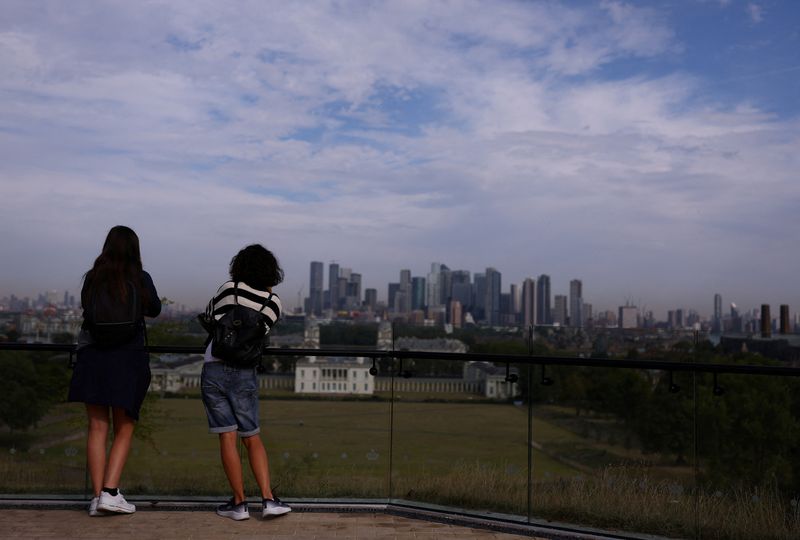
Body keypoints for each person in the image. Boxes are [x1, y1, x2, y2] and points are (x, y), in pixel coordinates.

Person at [68, 225, 161, 516]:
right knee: (125, 426)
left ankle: (98, 498)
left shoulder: (93, 277)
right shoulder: (140, 277)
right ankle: (111, 491)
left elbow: (86, 308)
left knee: (97, 427)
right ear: (135, 249)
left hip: (93, 356)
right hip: (127, 358)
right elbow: (155, 309)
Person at [201, 244, 291, 521]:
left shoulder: (229, 288)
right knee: (251, 437)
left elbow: (209, 317)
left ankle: (239, 504)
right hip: (244, 371)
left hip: (214, 365)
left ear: (239, 266)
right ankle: (268, 499)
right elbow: (262, 332)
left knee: (227, 437)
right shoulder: (273, 303)